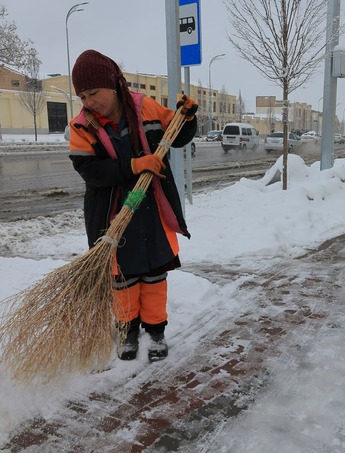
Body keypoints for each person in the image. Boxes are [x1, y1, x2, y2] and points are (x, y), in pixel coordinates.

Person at [68, 49, 198, 360]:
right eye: (83, 96)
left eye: (94, 93)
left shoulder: (146, 108)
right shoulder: (81, 126)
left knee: (154, 273)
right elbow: (90, 171)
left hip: (151, 209)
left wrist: (188, 116)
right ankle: (127, 329)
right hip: (113, 215)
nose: (88, 102)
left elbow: (177, 135)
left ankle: (156, 330)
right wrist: (134, 165)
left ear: (112, 84)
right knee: (122, 277)